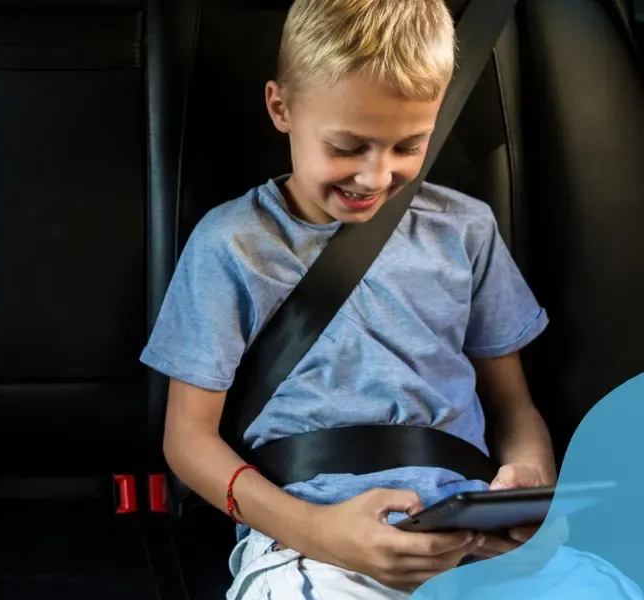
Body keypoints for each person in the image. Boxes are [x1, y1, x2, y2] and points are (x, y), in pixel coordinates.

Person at [141, 0, 595, 597]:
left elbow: (512, 405)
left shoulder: (466, 229)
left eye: (408, 146)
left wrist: (530, 486)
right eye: (349, 147)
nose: (377, 177)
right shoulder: (233, 245)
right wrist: (319, 531)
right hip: (313, 544)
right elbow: (187, 440)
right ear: (282, 108)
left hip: (469, 535)